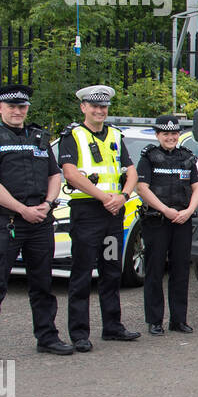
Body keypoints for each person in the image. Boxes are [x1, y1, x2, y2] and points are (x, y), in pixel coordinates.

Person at [0, 84, 72, 363]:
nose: (18, 111)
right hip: (8, 222)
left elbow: (55, 175)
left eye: (22, 107)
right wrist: (21, 209)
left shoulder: (39, 136)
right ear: (0, 108)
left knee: (42, 285)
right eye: (12, 107)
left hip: (40, 222)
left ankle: (47, 337)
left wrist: (48, 204)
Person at [58, 85, 140, 351]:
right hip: (87, 213)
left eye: (103, 107)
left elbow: (131, 172)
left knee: (111, 270)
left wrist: (123, 196)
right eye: (94, 106)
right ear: (83, 107)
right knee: (82, 273)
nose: (99, 111)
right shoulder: (73, 135)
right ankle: (80, 333)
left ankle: (112, 326)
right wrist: (105, 198)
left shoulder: (116, 135)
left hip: (113, 215)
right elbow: (71, 174)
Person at [135, 114, 198, 335]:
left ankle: (178, 320)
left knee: (181, 271)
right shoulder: (149, 158)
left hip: (182, 220)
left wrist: (189, 211)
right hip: (157, 220)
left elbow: (197, 188)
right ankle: (155, 321)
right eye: (166, 134)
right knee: (154, 270)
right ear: (158, 135)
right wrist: (166, 210)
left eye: (174, 133)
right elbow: (141, 188)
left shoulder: (187, 157)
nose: (171, 137)